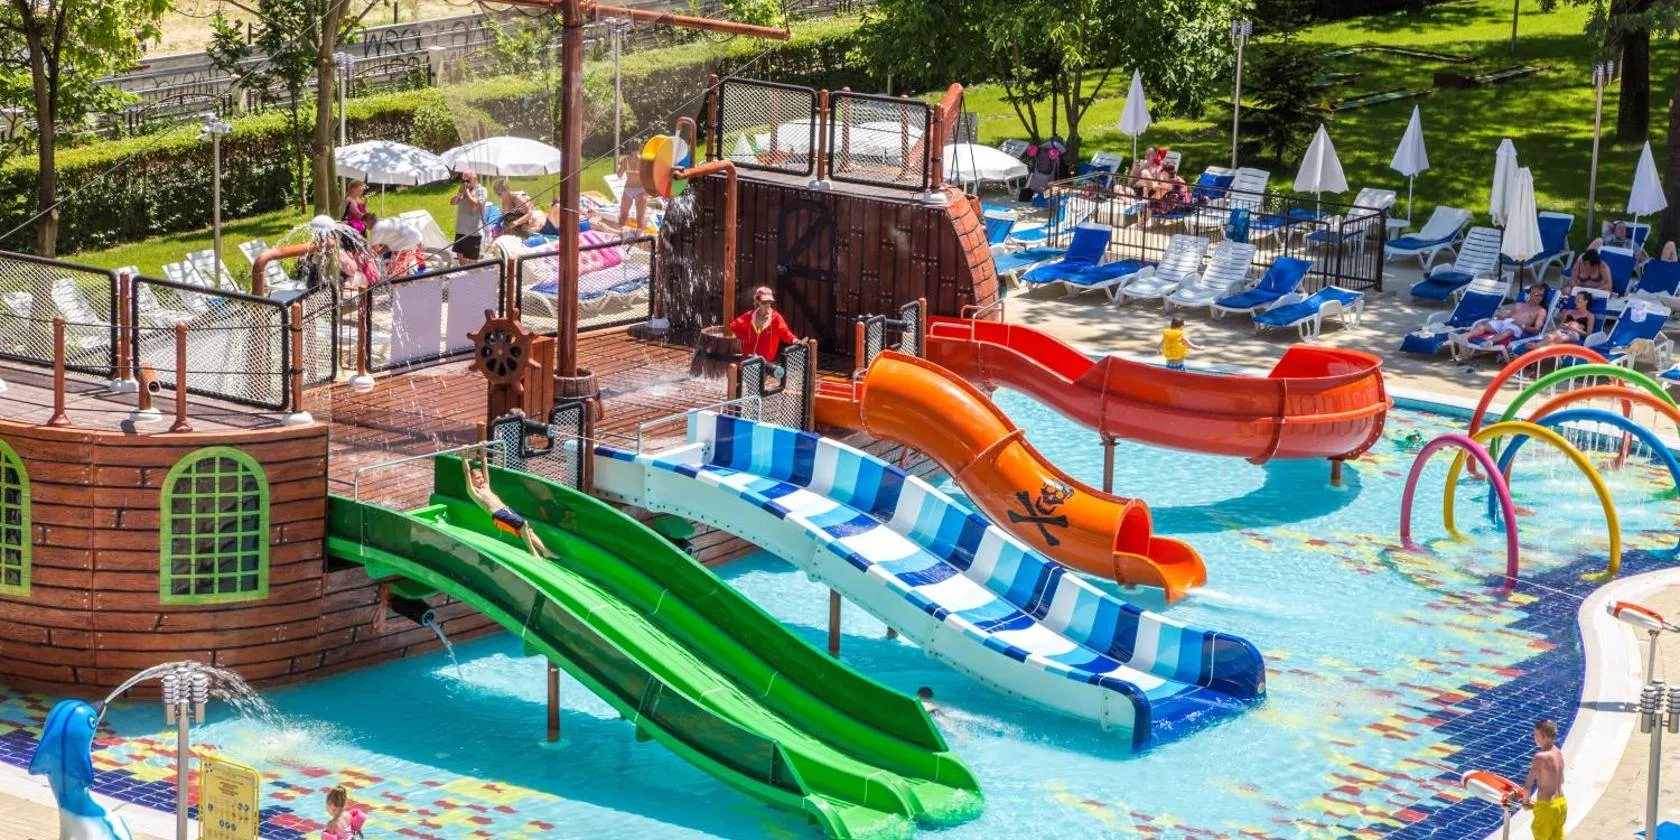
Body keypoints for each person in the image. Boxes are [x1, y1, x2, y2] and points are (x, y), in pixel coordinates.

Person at [461, 449, 555, 559]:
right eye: (477, 478)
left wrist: (483, 451)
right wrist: (464, 457)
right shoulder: (474, 491)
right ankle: (533, 552)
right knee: (523, 524)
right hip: (498, 515)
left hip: (506, 510)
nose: (481, 479)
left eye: (481, 477)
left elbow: (485, 467)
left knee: (528, 530)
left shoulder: (486, 486)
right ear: (471, 480)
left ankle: (546, 551)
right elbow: (467, 473)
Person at [1461, 284, 1551, 345]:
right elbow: (1509, 317)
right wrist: (1501, 317)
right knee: (1483, 325)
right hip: (1506, 322)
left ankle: (1488, 343)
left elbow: (1536, 329)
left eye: (1541, 295)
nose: (1539, 298)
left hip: (1518, 327)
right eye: (1537, 295)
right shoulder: (1519, 304)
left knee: (1508, 331)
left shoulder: (1541, 311)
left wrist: (1522, 325)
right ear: (1530, 294)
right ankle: (1465, 336)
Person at [730, 286, 799, 363]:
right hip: (748, 360)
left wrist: (794, 340)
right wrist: (745, 337)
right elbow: (734, 326)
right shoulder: (749, 316)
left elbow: (785, 332)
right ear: (757, 301)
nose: (767, 305)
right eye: (764, 302)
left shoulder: (776, 318)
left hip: (766, 361)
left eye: (769, 302)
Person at [1523, 719, 1565, 840]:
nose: (1534, 738)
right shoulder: (1557, 752)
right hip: (1561, 804)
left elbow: (1528, 785)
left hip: (1546, 807)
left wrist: (1526, 802)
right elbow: (1561, 780)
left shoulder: (1540, 757)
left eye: (1536, 735)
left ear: (1545, 737)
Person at [1531, 291, 1596, 347]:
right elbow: (1560, 325)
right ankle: (1538, 345)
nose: (1575, 302)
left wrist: (1574, 329)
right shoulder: (1569, 312)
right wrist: (1565, 325)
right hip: (1563, 330)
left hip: (1574, 334)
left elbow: (1588, 334)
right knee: (1550, 336)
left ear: (1585, 302)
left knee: (1561, 338)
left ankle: (1541, 350)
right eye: (1575, 300)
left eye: (1578, 300)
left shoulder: (1589, 316)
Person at [449, 168, 488, 260]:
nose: (465, 183)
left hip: (473, 232)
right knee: (460, 259)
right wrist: (459, 193)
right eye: (463, 180)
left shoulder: (481, 190)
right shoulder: (463, 191)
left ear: (475, 179)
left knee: (472, 262)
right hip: (460, 230)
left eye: (468, 180)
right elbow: (452, 202)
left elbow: (475, 205)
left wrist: (467, 193)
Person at [616, 152, 648, 233]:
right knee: (640, 218)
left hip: (628, 189)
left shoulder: (625, 160)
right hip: (641, 189)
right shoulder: (644, 160)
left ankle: (620, 235)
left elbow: (619, 175)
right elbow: (648, 175)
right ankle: (640, 237)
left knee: (623, 216)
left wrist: (619, 164)